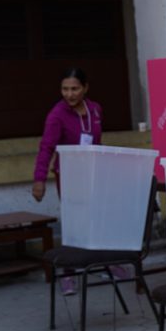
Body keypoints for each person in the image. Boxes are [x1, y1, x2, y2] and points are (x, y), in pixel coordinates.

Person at [33, 68, 105, 295]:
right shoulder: (57, 115)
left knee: (95, 220)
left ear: (85, 88)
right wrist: (39, 179)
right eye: (65, 89)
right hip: (70, 177)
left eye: (74, 88)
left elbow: (97, 142)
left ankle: (104, 264)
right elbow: (46, 148)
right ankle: (68, 273)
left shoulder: (95, 110)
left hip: (93, 174)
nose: (69, 94)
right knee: (74, 224)